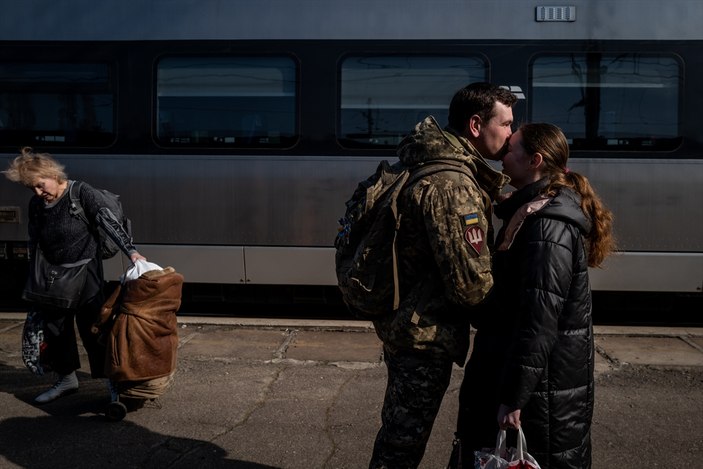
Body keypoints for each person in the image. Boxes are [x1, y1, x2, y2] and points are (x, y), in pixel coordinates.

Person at [368, 82, 516, 468]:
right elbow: (471, 287)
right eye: (506, 124)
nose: (512, 134)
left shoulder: (428, 161)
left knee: (397, 435)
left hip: (407, 323)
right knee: (401, 446)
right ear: (475, 125)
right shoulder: (454, 186)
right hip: (424, 335)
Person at [457, 123, 615, 468]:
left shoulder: (547, 227)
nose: (502, 155)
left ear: (535, 161)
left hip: (540, 395)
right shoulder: (531, 212)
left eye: (511, 149)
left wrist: (513, 397)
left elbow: (538, 321)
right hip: (540, 385)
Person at [3, 147, 146, 404]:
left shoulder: (81, 193)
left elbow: (108, 221)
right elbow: (34, 238)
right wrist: (34, 273)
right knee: (56, 329)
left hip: (86, 271)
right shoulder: (37, 204)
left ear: (52, 174)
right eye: (31, 188)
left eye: (40, 185)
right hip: (52, 275)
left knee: (94, 329)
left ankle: (114, 385)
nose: (38, 192)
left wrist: (132, 252)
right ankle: (67, 379)